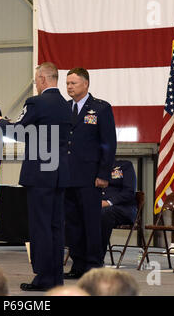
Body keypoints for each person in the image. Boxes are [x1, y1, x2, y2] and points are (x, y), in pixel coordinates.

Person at [0, 62, 72, 291]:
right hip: (60, 173)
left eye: (37, 80)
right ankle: (56, 277)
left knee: (40, 227)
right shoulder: (65, 106)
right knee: (56, 226)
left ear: (42, 79)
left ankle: (43, 278)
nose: (36, 84)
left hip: (40, 173)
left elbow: (17, 129)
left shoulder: (37, 102)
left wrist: (1, 122)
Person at [64, 67, 117, 279]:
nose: (69, 87)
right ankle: (78, 265)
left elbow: (108, 144)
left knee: (91, 223)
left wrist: (103, 174)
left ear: (85, 84)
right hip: (68, 176)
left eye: (73, 83)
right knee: (73, 224)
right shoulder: (65, 108)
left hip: (90, 177)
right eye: (67, 83)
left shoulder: (101, 108)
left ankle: (94, 266)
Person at [100, 159, 137, 261]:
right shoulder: (93, 166)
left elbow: (129, 192)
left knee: (104, 213)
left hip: (123, 208)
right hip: (98, 207)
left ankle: (96, 257)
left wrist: (108, 202)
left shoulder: (124, 165)